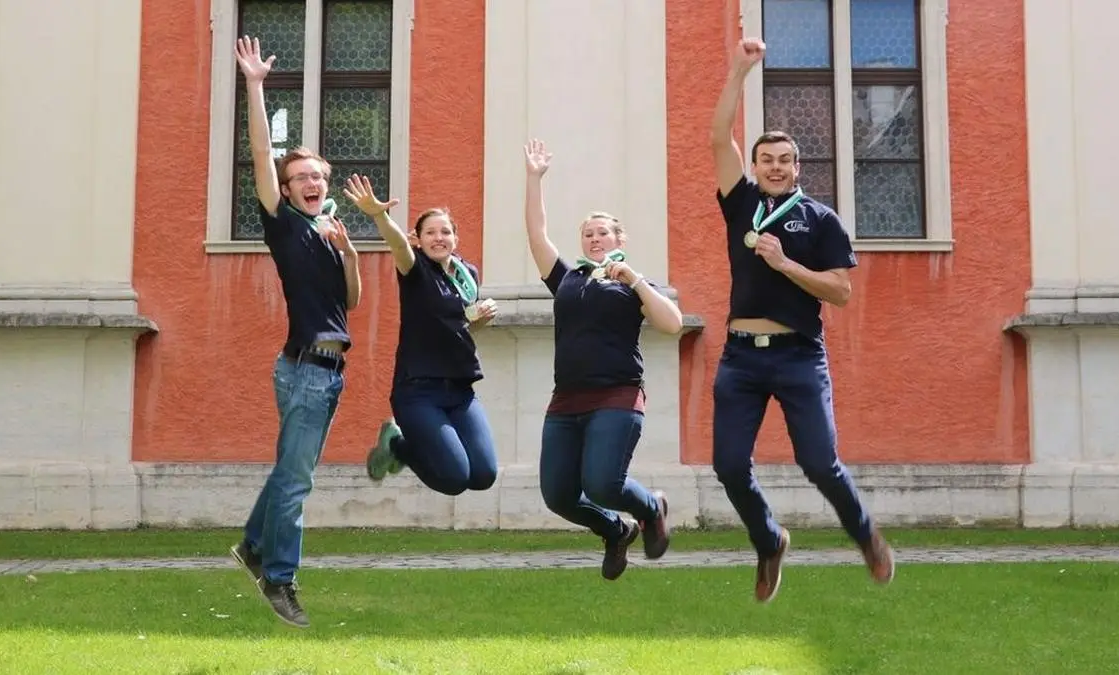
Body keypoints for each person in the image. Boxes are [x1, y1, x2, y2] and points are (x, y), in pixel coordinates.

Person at [709, 37, 895, 603]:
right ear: (755, 166)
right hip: (740, 357)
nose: (774, 167)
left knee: (819, 462)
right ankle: (769, 541)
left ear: (797, 167)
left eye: (783, 160)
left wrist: (785, 264)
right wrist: (738, 72)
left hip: (798, 356)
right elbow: (718, 137)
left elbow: (840, 292)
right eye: (765, 159)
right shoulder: (741, 203)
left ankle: (865, 534)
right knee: (728, 466)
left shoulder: (821, 220)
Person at [227, 36, 362, 629]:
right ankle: (278, 579)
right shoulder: (283, 225)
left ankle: (252, 546)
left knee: (290, 471)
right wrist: (255, 86)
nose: (311, 182)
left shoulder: (327, 233)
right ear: (284, 190)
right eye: (300, 177)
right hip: (305, 368)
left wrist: (349, 252)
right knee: (296, 481)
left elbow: (350, 303)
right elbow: (262, 152)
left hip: (329, 371)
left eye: (317, 177)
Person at [522, 138, 683, 581]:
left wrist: (635, 280)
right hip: (565, 401)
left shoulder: (632, 284)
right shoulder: (567, 278)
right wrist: (534, 179)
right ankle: (616, 531)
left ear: (619, 239)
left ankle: (651, 508)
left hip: (617, 395)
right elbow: (536, 234)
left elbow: (672, 323)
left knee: (602, 484)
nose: (595, 239)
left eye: (603, 233)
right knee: (558, 495)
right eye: (588, 234)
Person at [345, 175, 501, 497]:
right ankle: (398, 446)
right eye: (430, 232)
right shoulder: (414, 269)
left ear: (455, 237)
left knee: (484, 475)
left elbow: (460, 327)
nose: (438, 238)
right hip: (418, 391)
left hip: (460, 389)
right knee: (454, 479)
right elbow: (398, 244)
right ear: (418, 239)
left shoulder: (467, 274)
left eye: (445, 232)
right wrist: (379, 215)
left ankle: (403, 446)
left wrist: (481, 320)